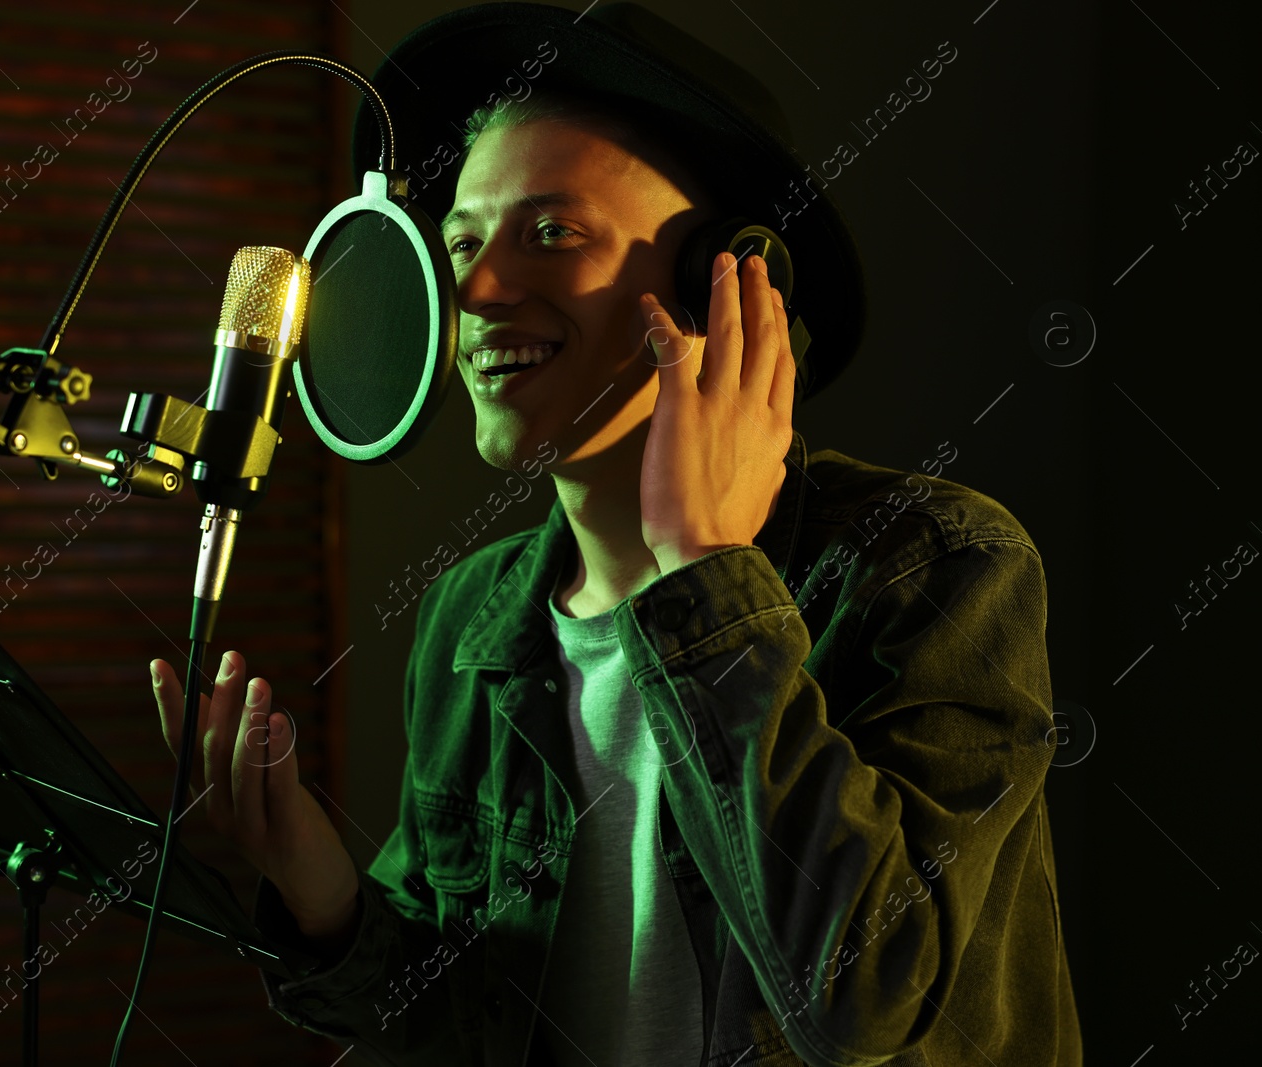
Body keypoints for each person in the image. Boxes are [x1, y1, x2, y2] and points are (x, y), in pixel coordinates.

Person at [147, 4, 1082, 1065]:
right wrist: (320, 894)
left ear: (729, 282)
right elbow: (462, 1021)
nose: (477, 292)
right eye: (461, 243)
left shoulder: (932, 567)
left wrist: (706, 577)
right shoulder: (472, 617)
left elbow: (862, 998)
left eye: (551, 233)